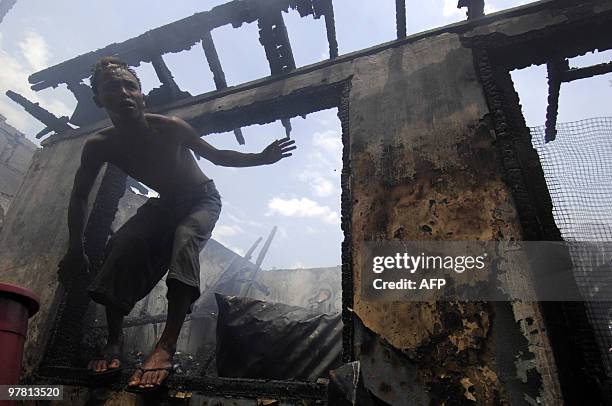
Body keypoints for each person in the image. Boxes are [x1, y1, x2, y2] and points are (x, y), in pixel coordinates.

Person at [58, 56, 296, 391]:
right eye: (113, 87)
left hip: (202, 199)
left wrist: (262, 157)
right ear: (99, 99)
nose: (124, 92)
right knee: (123, 245)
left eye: (131, 86)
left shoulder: (170, 127)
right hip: (165, 204)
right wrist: (74, 247)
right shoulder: (100, 145)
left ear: (143, 96)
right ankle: (113, 342)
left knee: (185, 239)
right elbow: (80, 195)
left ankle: (165, 345)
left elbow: (217, 156)